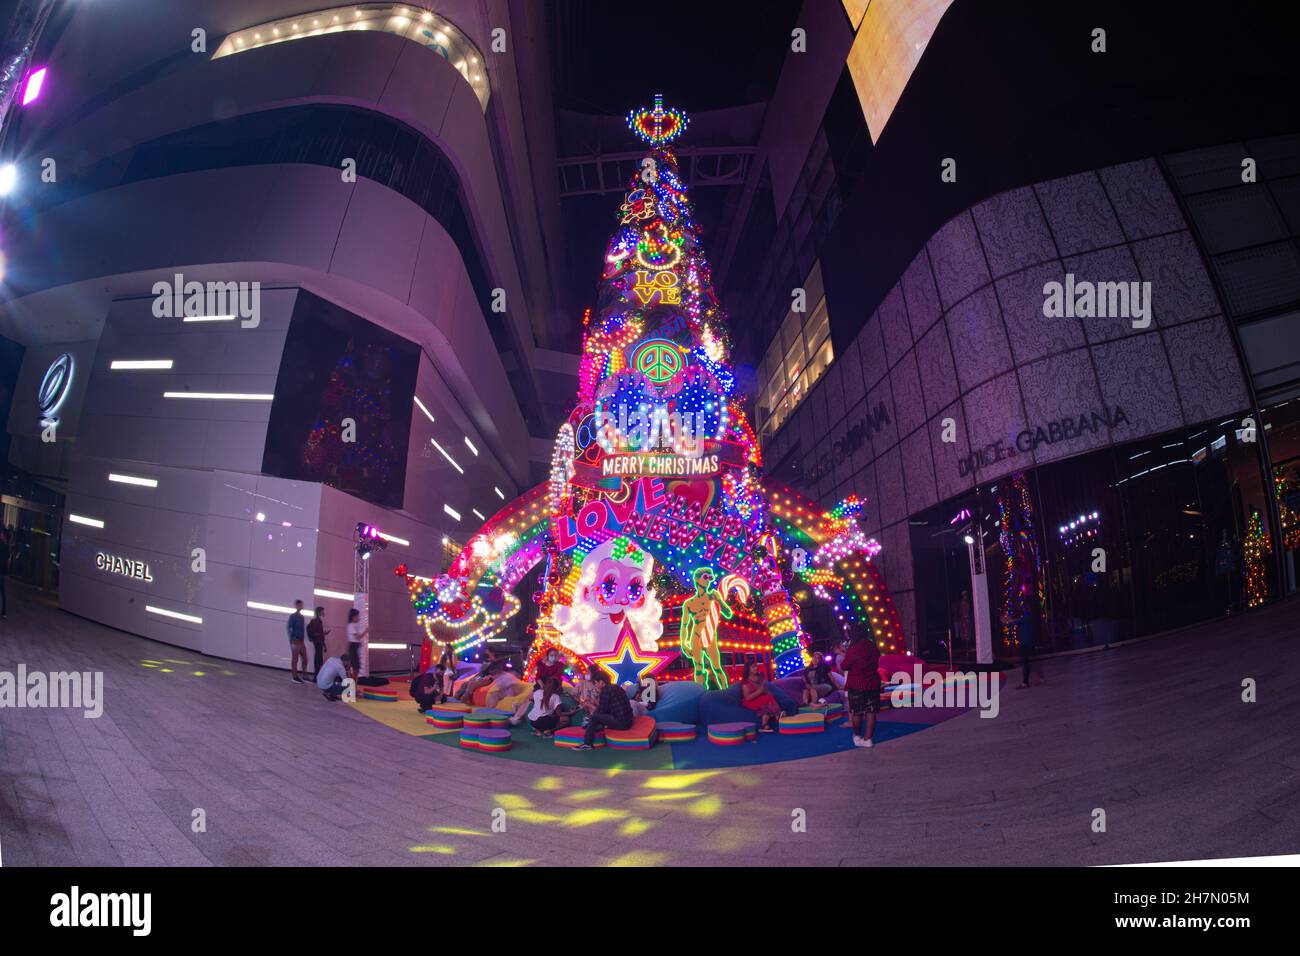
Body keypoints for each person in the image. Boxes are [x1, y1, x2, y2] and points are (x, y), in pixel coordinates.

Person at [574, 666, 633, 751]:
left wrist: (590, 705)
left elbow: (601, 711)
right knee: (597, 716)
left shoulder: (605, 690)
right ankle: (595, 729)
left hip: (621, 724)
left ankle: (587, 743)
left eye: (596, 683)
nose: (596, 685)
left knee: (595, 716)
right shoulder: (616, 687)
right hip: (629, 721)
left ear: (601, 682)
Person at [841, 629, 881, 749]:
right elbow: (877, 660)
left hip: (857, 684)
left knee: (857, 712)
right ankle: (868, 739)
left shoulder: (854, 648)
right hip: (872, 683)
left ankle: (857, 736)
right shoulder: (872, 646)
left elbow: (844, 665)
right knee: (871, 711)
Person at [739, 661, 782, 732]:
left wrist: (767, 692)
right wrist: (759, 692)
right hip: (750, 701)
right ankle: (778, 715)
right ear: (748, 669)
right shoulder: (745, 682)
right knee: (767, 699)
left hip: (760, 698)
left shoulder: (759, 678)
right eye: (753, 667)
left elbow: (764, 689)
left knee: (768, 699)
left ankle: (764, 724)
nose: (756, 668)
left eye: (756, 666)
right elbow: (747, 698)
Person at [287, 600, 308, 683]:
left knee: (305, 658)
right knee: (295, 659)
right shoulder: (292, 616)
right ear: (296, 606)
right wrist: (292, 640)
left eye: (301, 605)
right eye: (299, 605)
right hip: (295, 640)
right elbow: (289, 628)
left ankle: (305, 676)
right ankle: (295, 676)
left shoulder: (302, 617)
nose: (301, 606)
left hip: (301, 641)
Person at [306, 606, 329, 678]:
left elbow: (317, 633)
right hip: (318, 642)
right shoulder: (315, 621)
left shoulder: (318, 621)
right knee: (318, 659)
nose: (324, 612)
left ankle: (317, 676)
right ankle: (316, 676)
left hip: (319, 642)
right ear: (319, 612)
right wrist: (321, 634)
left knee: (319, 659)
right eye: (322, 611)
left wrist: (324, 644)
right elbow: (312, 631)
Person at [345, 608, 366, 678]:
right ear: (353, 617)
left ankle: (353, 686)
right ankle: (352, 686)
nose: (359, 618)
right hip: (352, 648)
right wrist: (366, 631)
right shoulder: (351, 625)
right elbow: (358, 637)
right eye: (357, 616)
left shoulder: (353, 625)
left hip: (354, 647)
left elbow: (357, 639)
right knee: (354, 668)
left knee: (356, 668)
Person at [0, 528, 10, 620]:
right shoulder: (6, 546)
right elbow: (7, 560)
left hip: (1, 570)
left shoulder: (4, 546)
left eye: (2, 534)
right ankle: (4, 611)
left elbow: (6, 560)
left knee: (2, 591)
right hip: (2, 570)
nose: (1, 534)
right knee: (2, 591)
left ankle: (4, 611)